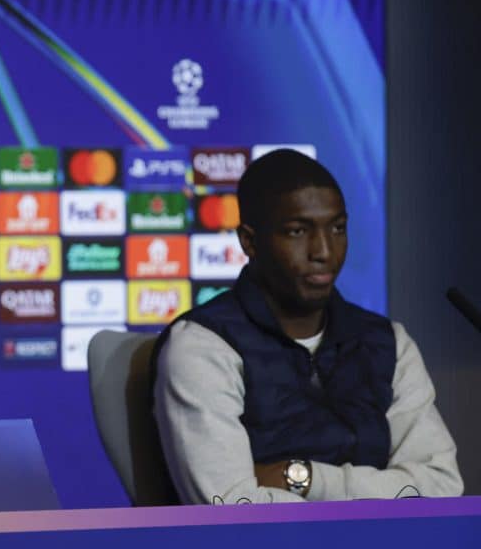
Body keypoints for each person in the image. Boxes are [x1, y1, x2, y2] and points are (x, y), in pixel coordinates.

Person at [153, 149, 463, 504]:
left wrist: (302, 478)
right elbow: (233, 510)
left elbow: (442, 489)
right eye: (298, 231)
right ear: (249, 241)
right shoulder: (202, 347)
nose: (324, 251)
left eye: (337, 228)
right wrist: (383, 491)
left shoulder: (388, 343)